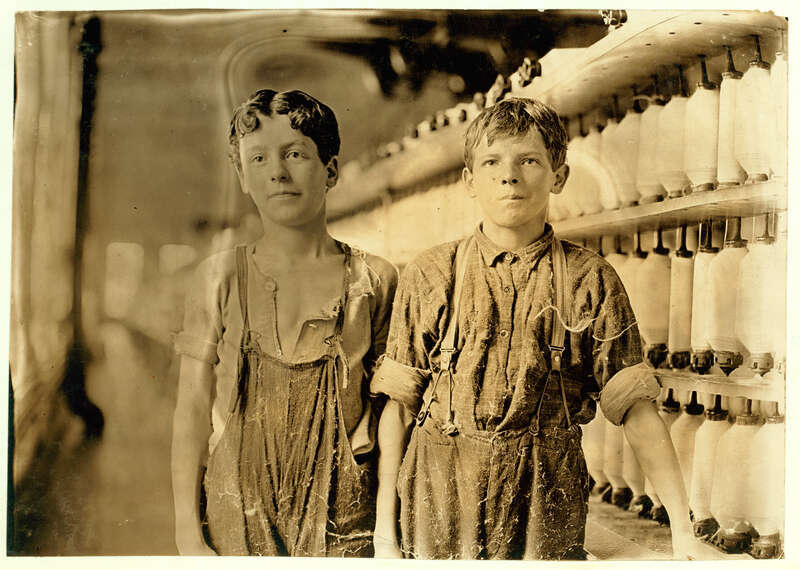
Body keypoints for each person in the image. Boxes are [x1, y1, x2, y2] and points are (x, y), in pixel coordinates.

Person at [370, 97, 694, 560]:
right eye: (492, 162)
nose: (509, 176)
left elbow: (636, 410)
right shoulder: (431, 274)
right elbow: (398, 410)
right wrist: (385, 536)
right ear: (469, 180)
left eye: (529, 160)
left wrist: (682, 531)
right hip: (438, 499)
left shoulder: (591, 280)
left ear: (558, 176)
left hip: (545, 502)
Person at [170, 89, 398, 557]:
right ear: (242, 176)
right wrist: (187, 534)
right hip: (237, 511)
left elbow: (392, 412)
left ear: (330, 170)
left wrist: (386, 533)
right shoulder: (219, 276)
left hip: (344, 519)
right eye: (258, 158)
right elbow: (191, 407)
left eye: (295, 154)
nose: (277, 171)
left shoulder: (375, 279)